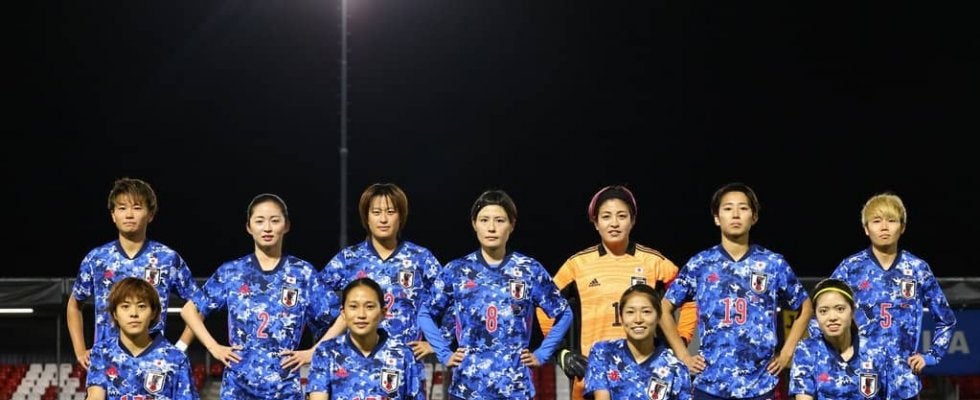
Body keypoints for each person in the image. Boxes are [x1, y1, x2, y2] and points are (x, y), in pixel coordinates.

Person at [536, 184, 697, 400]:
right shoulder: (577, 265)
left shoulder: (655, 263)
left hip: (646, 377)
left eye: (622, 216)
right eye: (606, 216)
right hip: (591, 376)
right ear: (595, 222)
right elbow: (543, 304)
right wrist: (560, 351)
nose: (614, 223)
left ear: (633, 220)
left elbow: (691, 299)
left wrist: (680, 341)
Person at [660, 182, 813, 399]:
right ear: (717, 218)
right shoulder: (701, 263)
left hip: (760, 385)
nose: (735, 214)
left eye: (743, 208)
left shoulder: (772, 263)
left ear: (754, 216)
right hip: (710, 385)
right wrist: (683, 355)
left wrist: (787, 352)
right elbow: (664, 308)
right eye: (728, 208)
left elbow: (805, 307)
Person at [417, 189, 573, 399]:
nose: (491, 228)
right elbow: (425, 313)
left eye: (499, 220)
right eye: (484, 220)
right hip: (467, 389)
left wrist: (542, 354)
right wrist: (444, 353)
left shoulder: (529, 269)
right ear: (474, 224)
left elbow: (565, 313)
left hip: (515, 389)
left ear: (512, 225)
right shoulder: (457, 270)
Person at [179, 193, 336, 400]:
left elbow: (343, 316)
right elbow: (189, 310)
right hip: (237, 389)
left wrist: (314, 351)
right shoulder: (232, 272)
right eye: (260, 221)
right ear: (249, 227)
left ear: (286, 226)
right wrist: (214, 347)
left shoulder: (303, 273)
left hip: (285, 390)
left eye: (275, 220)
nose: (267, 228)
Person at [829, 192, 957, 399]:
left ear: (902, 227)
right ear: (866, 228)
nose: (884, 227)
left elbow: (946, 319)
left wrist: (931, 356)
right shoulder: (850, 268)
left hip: (903, 382)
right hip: (859, 380)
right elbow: (821, 316)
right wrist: (835, 358)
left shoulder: (917, 269)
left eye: (891, 220)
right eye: (876, 221)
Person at [314, 184, 444, 378]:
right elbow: (315, 296)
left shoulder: (420, 258)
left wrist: (437, 343)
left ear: (401, 216)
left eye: (390, 212)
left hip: (406, 367)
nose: (383, 219)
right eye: (376, 212)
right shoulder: (349, 259)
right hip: (355, 369)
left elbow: (453, 299)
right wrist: (340, 324)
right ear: (366, 217)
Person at [68, 177, 199, 370]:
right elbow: (74, 304)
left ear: (150, 214)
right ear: (113, 215)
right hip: (106, 365)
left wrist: (181, 346)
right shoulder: (96, 259)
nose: (129, 215)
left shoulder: (167, 258)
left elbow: (199, 304)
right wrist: (80, 350)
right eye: (122, 208)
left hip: (154, 365)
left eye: (137, 208)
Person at [307, 277, 422, 400]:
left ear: (383, 312)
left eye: (369, 307)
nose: (361, 315)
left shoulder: (404, 355)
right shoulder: (326, 352)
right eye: (353, 306)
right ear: (343, 313)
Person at [86, 277, 198, 400]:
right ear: (114, 313)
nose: (134, 313)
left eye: (141, 306)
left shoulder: (176, 358)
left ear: (153, 312)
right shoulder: (101, 352)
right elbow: (95, 397)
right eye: (125, 306)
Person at [584, 283, 692, 400]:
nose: (638, 319)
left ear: (658, 316)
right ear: (621, 317)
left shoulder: (676, 368)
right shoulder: (603, 352)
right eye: (630, 312)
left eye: (646, 312)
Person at [790, 278, 890, 399]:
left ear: (852, 311)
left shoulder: (877, 349)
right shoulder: (807, 350)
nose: (832, 317)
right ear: (816, 316)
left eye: (840, 309)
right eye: (823, 311)